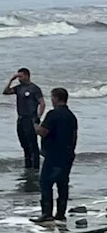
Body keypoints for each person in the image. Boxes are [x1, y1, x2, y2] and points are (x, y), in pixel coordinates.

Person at [35, 87, 78, 222]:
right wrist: (71, 151)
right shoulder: (71, 116)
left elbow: (43, 132)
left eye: (52, 97)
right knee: (62, 184)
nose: (51, 100)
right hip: (67, 154)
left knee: (45, 183)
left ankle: (47, 213)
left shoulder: (53, 114)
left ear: (57, 99)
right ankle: (60, 213)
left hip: (53, 154)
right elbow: (74, 136)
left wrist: (35, 125)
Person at [3, 68, 46, 171]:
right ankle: (27, 165)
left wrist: (38, 116)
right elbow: (5, 92)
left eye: (21, 76)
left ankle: (35, 167)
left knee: (32, 144)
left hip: (30, 118)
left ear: (27, 76)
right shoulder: (18, 88)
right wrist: (11, 80)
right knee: (24, 143)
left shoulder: (34, 88)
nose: (19, 79)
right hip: (21, 118)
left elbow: (42, 103)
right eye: (18, 77)